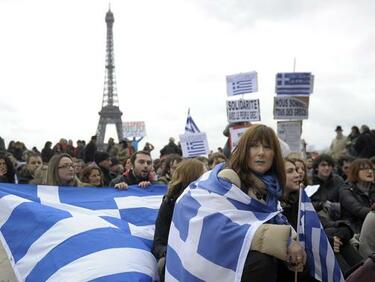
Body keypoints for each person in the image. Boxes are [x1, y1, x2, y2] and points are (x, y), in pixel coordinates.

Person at [167, 124, 306, 281]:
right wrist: (284, 241)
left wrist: (293, 242)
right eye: (254, 146)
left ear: (275, 155)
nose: (261, 152)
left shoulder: (270, 188)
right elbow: (216, 225)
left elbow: (273, 219)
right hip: (217, 261)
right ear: (244, 150)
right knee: (262, 262)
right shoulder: (227, 179)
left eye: (267, 147)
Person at [152, 159, 206, 281]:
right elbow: (158, 244)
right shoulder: (169, 204)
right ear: (192, 178)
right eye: (204, 175)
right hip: (178, 256)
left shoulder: (212, 202)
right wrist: (172, 252)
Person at [340, 159, 375, 234]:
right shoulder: (346, 191)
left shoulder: (373, 188)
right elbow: (358, 210)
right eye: (364, 169)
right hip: (355, 231)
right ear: (355, 172)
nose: (370, 171)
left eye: (371, 168)